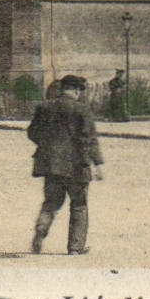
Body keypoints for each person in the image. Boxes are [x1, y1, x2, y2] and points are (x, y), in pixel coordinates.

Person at [26, 74, 104, 255]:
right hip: (76, 165)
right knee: (79, 205)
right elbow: (89, 139)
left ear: (62, 89)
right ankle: (75, 248)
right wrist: (97, 164)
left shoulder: (45, 107)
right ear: (76, 90)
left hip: (50, 165)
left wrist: (47, 146)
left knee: (51, 201)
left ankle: (42, 226)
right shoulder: (81, 110)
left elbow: (32, 133)